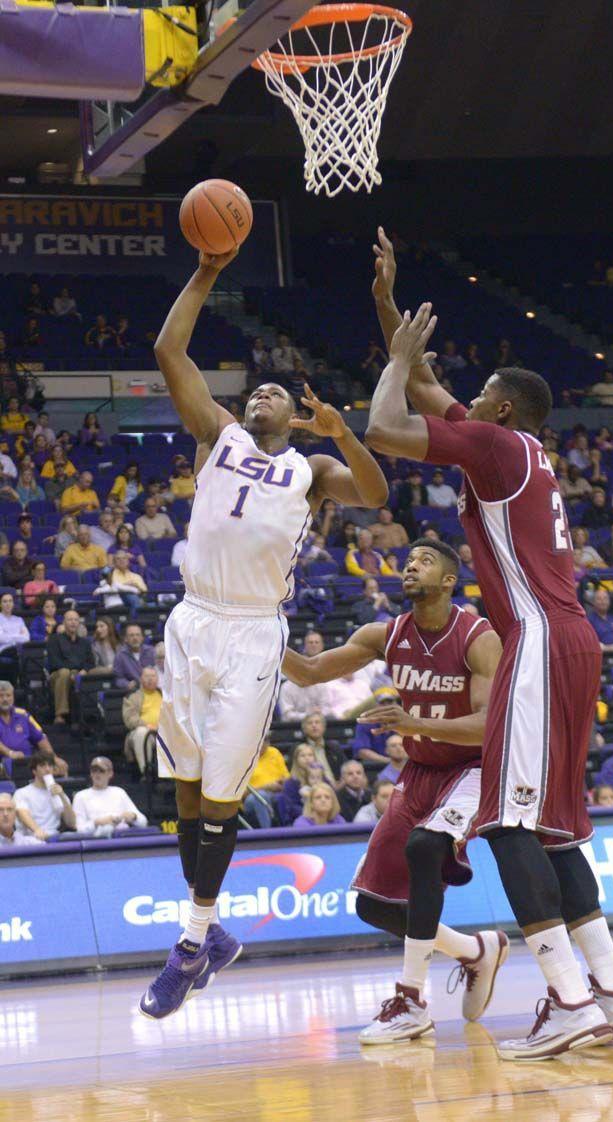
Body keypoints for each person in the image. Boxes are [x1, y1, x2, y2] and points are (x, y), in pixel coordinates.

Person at [365, 228, 613, 1057]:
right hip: (575, 641)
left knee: (507, 825)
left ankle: (567, 1001)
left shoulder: (493, 447)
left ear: (497, 408)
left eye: (478, 396)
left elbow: (391, 418)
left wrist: (395, 364)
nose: (463, 401)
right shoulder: (517, 447)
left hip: (531, 641)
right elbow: (426, 387)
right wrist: (390, 310)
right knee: (557, 827)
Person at [140, 245, 388, 1019]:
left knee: (219, 799)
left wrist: (345, 435)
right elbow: (167, 349)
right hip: (190, 622)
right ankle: (210, 934)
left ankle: (189, 947)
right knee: (184, 791)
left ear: (294, 415)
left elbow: (376, 497)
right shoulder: (218, 434)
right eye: (259, 389)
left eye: (278, 391)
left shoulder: (312, 470)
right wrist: (210, 269)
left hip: (252, 635)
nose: (265, 393)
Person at [283, 536, 507, 1041]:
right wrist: (265, 640)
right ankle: (476, 951)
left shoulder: (477, 637)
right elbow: (312, 672)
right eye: (407, 561)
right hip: (420, 774)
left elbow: (488, 724)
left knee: (426, 848)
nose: (410, 566)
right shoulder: (386, 634)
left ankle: (411, 1001)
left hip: (469, 770)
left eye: (425, 561)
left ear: (449, 580)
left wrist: (411, 723)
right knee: (371, 904)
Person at [0, 680, 68, 778]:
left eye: (8, 695)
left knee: (60, 768)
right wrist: (10, 753)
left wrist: (54, 759)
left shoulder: (23, 714)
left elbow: (40, 738)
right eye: (1, 696)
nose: (5, 699)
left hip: (26, 763)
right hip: (3, 764)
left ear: (13, 697)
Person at [72, 755, 148, 836]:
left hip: (122, 837)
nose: (97, 774)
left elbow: (143, 822)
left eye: (101, 771)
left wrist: (133, 817)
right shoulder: (80, 796)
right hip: (96, 841)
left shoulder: (119, 792)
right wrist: (97, 823)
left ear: (110, 773)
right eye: (94, 770)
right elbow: (79, 830)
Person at [47, 609, 94, 724]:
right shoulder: (54, 639)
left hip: (78, 673)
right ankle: (60, 714)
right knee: (64, 672)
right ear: (64, 622)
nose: (73, 622)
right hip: (57, 675)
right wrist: (74, 671)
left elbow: (91, 662)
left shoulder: (85, 642)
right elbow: (54, 663)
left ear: (79, 623)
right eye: (70, 619)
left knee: (98, 672)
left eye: (76, 620)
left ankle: (96, 712)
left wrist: (83, 671)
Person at [14, 751, 76, 835]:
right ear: (34, 771)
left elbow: (71, 823)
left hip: (54, 837)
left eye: (50, 765)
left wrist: (61, 796)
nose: (47, 769)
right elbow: (23, 814)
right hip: (30, 837)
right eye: (43, 765)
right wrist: (37, 831)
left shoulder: (58, 792)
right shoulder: (22, 793)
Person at [278, 632, 331, 720]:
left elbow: (327, 709)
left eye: (316, 642)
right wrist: (307, 715)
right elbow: (287, 715)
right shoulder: (286, 687)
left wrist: (320, 712)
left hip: (319, 721)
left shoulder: (320, 685)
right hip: (294, 725)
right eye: (310, 642)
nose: (314, 645)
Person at [242, 738, 289, 829]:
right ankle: (267, 832)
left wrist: (282, 782)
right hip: (251, 798)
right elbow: (240, 795)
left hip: (276, 793)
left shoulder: (274, 753)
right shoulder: (241, 759)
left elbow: (286, 777)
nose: (263, 743)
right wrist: (265, 787)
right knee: (261, 796)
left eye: (266, 740)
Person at [122, 667, 162, 775]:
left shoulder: (164, 695)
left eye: (153, 676)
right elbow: (130, 719)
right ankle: (146, 772)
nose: (150, 679)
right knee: (142, 733)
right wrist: (148, 725)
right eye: (147, 676)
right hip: (146, 732)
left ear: (158, 679)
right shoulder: (133, 696)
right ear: (141, 679)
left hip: (165, 733)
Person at [113, 622, 156, 692]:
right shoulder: (120, 656)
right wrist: (127, 684)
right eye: (131, 635)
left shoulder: (151, 652)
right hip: (133, 691)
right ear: (126, 639)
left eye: (137, 635)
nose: (135, 638)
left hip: (152, 689)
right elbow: (118, 679)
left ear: (142, 638)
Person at [0, 592, 30, 683]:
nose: (8, 603)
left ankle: (20, 686)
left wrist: (8, 635)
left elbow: (27, 638)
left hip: (18, 653)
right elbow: (1, 638)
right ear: (0, 604)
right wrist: (18, 635)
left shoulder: (19, 619)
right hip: (3, 652)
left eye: (10, 601)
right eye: (5, 601)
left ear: (13, 603)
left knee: (22, 655)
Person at [108, 550, 148, 616]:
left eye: (124, 558)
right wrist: (130, 586)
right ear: (114, 562)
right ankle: (136, 619)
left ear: (128, 561)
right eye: (118, 559)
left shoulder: (136, 576)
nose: (121, 560)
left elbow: (144, 590)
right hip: (118, 599)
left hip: (138, 597)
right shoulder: (111, 575)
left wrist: (135, 586)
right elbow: (114, 587)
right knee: (132, 597)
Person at [587, 589, 613, 654]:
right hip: (600, 655)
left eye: (605, 598)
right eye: (599, 599)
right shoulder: (589, 620)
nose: (603, 601)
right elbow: (589, 642)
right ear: (593, 602)